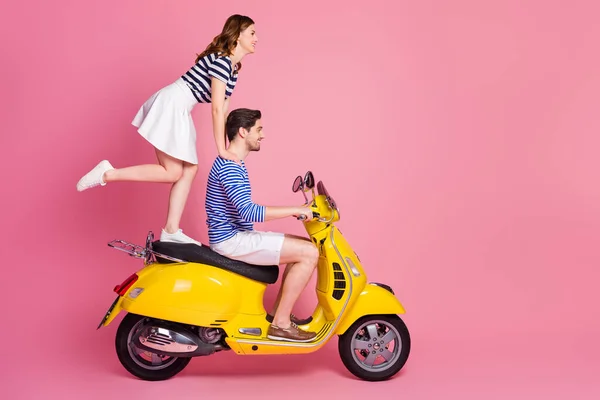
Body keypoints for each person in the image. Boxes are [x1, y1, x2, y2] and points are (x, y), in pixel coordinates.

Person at [76, 15, 258, 245]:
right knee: (173, 172)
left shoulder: (233, 69)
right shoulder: (222, 61)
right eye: (252, 33)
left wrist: (227, 148)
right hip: (174, 102)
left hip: (181, 107)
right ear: (238, 34)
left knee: (189, 169)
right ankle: (108, 173)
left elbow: (223, 112)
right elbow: (215, 110)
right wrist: (222, 150)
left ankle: (171, 230)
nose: (256, 38)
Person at [205, 108, 318, 343]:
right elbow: (249, 211)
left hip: (237, 236)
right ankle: (281, 324)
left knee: (301, 246)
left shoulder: (232, 162)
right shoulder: (230, 167)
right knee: (309, 253)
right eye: (258, 129)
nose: (262, 135)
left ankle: (279, 315)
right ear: (243, 132)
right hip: (232, 240)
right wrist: (296, 209)